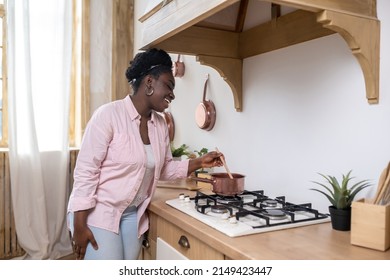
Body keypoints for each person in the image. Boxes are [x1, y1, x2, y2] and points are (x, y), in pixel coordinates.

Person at [67, 48, 223, 260]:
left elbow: (164, 168)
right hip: (98, 211)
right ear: (149, 82)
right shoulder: (108, 115)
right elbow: (86, 172)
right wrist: (79, 225)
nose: (173, 94)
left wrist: (200, 162)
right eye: (169, 85)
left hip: (133, 214)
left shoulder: (159, 125)